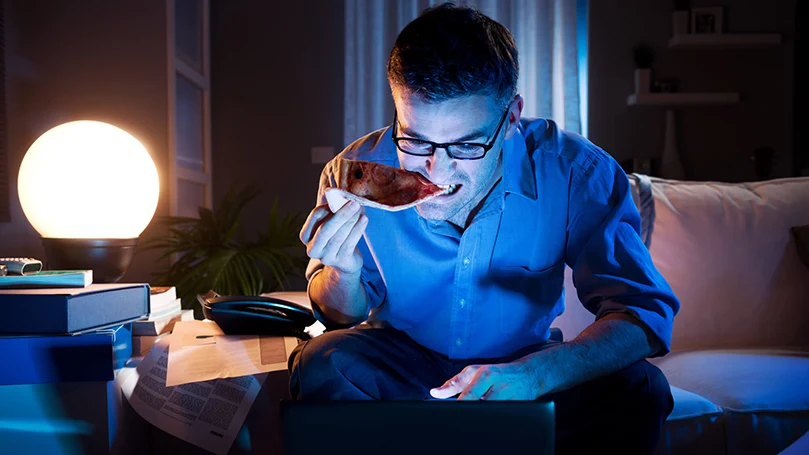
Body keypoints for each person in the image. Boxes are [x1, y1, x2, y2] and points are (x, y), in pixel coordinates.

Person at [291, 3, 679, 454]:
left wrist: (539, 374)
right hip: (403, 362)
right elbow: (340, 316)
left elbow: (642, 314)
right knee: (321, 364)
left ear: (511, 118)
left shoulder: (575, 172)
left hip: (522, 367)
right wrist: (344, 273)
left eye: (466, 145)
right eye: (415, 140)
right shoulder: (351, 174)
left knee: (641, 389)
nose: (437, 168)